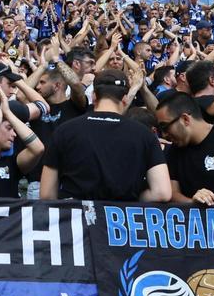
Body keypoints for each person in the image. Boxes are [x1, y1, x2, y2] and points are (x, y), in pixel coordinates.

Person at [40, 69, 170, 202]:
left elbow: (46, 194)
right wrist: (134, 197)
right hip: (122, 218)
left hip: (77, 218)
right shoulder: (144, 134)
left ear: (94, 96)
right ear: (125, 99)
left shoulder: (65, 130)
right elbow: (162, 192)